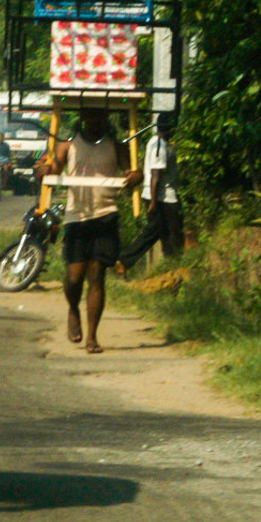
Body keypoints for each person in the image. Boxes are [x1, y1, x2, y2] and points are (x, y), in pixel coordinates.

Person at [40, 108, 140, 354]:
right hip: (76, 217)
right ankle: (73, 309)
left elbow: (132, 172)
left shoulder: (116, 147)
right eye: (90, 116)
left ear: (105, 119)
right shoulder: (67, 146)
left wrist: (136, 175)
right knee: (74, 277)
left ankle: (92, 336)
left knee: (97, 276)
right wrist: (43, 170)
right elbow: (52, 170)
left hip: (106, 214)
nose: (94, 120)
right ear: (82, 119)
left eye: (99, 116)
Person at [116, 113, 184, 276]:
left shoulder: (160, 143)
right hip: (163, 197)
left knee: (159, 232)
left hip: (161, 196)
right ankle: (173, 265)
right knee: (172, 232)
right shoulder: (159, 146)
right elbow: (155, 175)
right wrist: (154, 202)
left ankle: (127, 262)